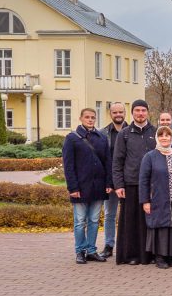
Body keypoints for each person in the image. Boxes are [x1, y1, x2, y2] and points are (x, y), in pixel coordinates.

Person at [63, 108, 112, 264]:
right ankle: (80, 251)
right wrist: (73, 188)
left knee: (94, 220)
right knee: (79, 221)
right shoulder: (72, 138)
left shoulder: (102, 138)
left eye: (92, 117)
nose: (90, 120)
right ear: (81, 118)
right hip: (80, 187)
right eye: (87, 117)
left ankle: (91, 250)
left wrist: (108, 183)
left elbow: (108, 162)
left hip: (98, 186)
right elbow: (68, 166)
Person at [112, 99, 157, 265]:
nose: (140, 113)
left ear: (147, 112)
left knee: (149, 221)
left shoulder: (156, 131)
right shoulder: (124, 134)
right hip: (131, 183)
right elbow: (117, 161)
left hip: (152, 184)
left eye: (143, 110)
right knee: (130, 221)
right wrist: (119, 185)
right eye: (137, 110)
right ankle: (131, 255)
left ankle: (149, 254)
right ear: (132, 113)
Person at [138, 126, 172, 269]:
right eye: (161, 135)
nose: (164, 138)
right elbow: (143, 180)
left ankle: (170, 255)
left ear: (171, 137)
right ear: (157, 138)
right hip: (158, 197)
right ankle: (159, 256)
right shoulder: (150, 156)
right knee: (160, 227)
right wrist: (145, 201)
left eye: (167, 135)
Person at [98, 102, 126, 258]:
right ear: (110, 114)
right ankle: (109, 245)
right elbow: (103, 160)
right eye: (115, 112)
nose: (118, 115)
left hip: (127, 182)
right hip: (110, 183)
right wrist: (108, 182)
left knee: (128, 214)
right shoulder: (103, 134)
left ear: (125, 113)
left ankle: (128, 244)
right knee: (109, 214)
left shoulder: (131, 131)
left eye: (120, 112)